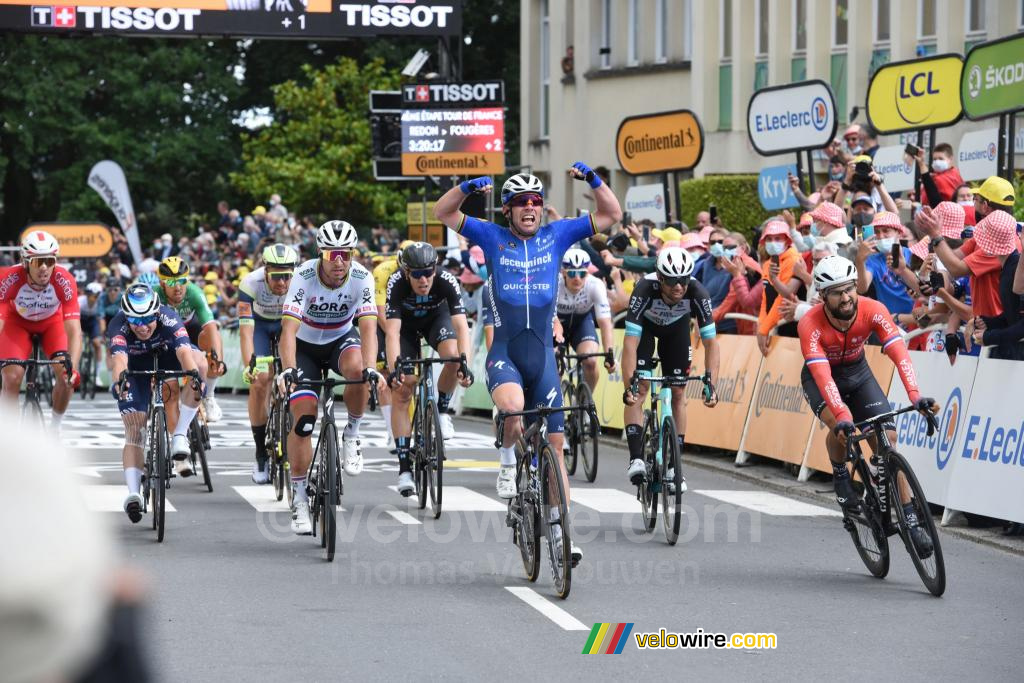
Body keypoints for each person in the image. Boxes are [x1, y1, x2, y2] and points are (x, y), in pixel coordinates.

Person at [433, 163, 622, 567]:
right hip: (506, 354)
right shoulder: (491, 235)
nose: (530, 207)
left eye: (535, 200)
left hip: (544, 360)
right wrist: (466, 186)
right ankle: (506, 463)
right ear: (507, 209)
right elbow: (444, 213)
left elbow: (611, 214)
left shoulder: (558, 234)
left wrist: (592, 180)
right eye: (521, 202)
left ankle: (558, 529)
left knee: (555, 446)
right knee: (515, 412)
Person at [798, 255, 938, 556]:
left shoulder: (873, 309)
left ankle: (910, 519)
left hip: (858, 374)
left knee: (888, 441)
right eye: (837, 292)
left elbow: (900, 353)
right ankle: (840, 475)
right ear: (823, 296)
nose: (846, 297)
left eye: (849, 289)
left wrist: (915, 396)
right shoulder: (810, 323)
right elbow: (823, 377)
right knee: (840, 427)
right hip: (822, 376)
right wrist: (845, 417)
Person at [277, 220, 384, 535]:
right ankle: (298, 498)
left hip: (340, 340)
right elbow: (288, 330)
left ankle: (352, 433)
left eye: (346, 254)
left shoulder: (362, 277)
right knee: (304, 421)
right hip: (306, 348)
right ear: (320, 253)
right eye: (332, 254)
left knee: (357, 370)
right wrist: (289, 368)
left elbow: (367, 328)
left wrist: (371, 366)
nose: (339, 261)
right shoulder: (303, 276)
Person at [621, 247, 720, 488]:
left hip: (676, 331)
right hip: (645, 329)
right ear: (660, 278)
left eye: (684, 280)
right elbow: (630, 343)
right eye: (673, 280)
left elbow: (711, 344)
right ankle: (636, 459)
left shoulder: (698, 292)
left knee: (678, 393)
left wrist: (712, 384)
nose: (679, 286)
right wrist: (628, 385)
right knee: (640, 390)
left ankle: (674, 465)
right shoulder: (644, 288)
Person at [109, 284, 208, 519]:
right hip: (134, 365)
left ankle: (180, 434)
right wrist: (119, 381)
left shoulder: (169, 317)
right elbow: (119, 360)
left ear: (156, 314)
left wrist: (194, 376)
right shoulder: (118, 324)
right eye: (134, 320)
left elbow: (184, 353)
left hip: (167, 356)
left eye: (146, 320)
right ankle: (133, 493)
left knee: (200, 364)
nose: (141, 327)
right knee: (135, 428)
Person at [384, 241, 474, 496]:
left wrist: (464, 362)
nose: (424, 279)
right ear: (406, 272)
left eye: (429, 272)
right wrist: (395, 369)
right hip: (407, 328)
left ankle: (442, 411)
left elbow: (460, 325)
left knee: (453, 358)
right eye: (417, 274)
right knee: (404, 387)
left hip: (437, 319)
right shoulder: (396, 284)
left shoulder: (446, 279)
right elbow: (392, 333)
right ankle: (404, 469)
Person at [0, 231, 81, 431]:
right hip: (16, 323)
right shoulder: (9, 278)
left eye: (49, 261)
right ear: (25, 262)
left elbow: (74, 330)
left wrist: (74, 368)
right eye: (37, 262)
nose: (44, 268)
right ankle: (10, 435)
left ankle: (55, 429)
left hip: (52, 324)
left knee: (65, 376)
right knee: (11, 378)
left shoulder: (65, 280)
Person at [238, 243, 300, 484]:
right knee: (261, 380)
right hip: (260, 327)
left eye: (287, 276)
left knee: (295, 375)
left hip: (288, 325)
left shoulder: (300, 282)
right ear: (265, 271)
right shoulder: (250, 283)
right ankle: (260, 453)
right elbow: (245, 332)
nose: (282, 283)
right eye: (276, 277)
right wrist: (249, 365)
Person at [156, 256, 227, 422]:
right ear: (162, 284)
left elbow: (210, 327)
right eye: (172, 282)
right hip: (166, 335)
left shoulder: (195, 293)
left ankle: (209, 395)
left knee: (212, 336)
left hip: (191, 331)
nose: (178, 287)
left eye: (182, 280)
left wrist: (218, 359)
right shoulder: (155, 295)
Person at [552, 249, 616, 392]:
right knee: (554, 366)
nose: (577, 278)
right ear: (563, 272)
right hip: (556, 324)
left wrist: (609, 354)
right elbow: (548, 315)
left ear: (588, 273)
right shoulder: (553, 284)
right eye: (572, 273)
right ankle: (555, 404)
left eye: (582, 273)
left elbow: (605, 323)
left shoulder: (596, 285)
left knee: (591, 361)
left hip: (581, 324)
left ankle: (585, 404)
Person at [965, 212, 1024, 361]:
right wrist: (988, 322)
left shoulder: (1014, 268)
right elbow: (1014, 314)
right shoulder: (1010, 266)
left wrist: (990, 337)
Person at [854, 211, 915, 317]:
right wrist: (860, 260)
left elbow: (926, 290)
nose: (881, 236)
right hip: (889, 321)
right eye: (877, 232)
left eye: (886, 230)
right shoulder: (872, 260)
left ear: (899, 234)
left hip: (915, 320)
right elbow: (861, 288)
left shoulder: (913, 254)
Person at [79, 281, 106, 385]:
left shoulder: (100, 302)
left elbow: (100, 319)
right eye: (89, 295)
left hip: (93, 321)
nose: (92, 298)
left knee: (97, 344)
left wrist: (102, 334)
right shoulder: (80, 301)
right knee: (78, 342)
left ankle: (97, 375)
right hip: (80, 320)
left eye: (95, 296)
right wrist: (78, 331)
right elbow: (75, 318)